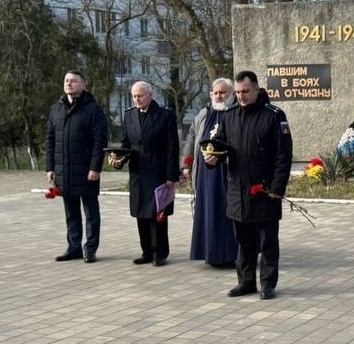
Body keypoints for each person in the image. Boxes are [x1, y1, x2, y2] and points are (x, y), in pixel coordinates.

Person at [205, 70, 293, 300]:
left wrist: (277, 188)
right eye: (238, 92)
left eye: (245, 92)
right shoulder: (231, 114)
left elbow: (283, 155)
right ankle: (245, 282)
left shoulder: (273, 115)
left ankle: (267, 284)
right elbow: (221, 147)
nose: (241, 96)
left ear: (256, 89)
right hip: (238, 190)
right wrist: (213, 158)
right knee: (243, 241)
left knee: (267, 241)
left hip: (264, 190)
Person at [109, 82, 179, 266]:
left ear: (150, 95)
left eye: (140, 95)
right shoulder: (129, 115)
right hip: (137, 172)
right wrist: (118, 160)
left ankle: (160, 253)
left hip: (157, 172)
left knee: (158, 214)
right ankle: (146, 251)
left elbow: (172, 147)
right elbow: (126, 145)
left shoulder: (165, 116)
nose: (136, 99)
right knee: (140, 213)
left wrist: (171, 175)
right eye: (133, 96)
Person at [45, 70, 108, 263]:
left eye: (73, 81)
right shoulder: (56, 108)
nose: (69, 84)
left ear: (84, 84)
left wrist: (95, 167)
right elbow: (50, 139)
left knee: (91, 212)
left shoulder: (93, 109)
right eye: (66, 80)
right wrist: (50, 167)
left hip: (86, 170)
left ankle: (90, 249)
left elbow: (100, 141)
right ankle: (73, 248)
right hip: (64, 170)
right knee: (70, 212)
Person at [181, 78, 239, 267]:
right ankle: (211, 253)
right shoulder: (203, 114)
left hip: (229, 172)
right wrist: (186, 163)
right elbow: (191, 138)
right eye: (215, 93)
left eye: (223, 92)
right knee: (209, 213)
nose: (219, 96)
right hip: (206, 175)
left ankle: (231, 255)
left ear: (231, 94)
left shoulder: (237, 112)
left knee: (229, 213)